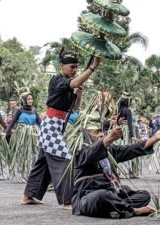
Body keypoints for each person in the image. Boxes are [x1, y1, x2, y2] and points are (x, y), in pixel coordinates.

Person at [22, 50, 101, 210]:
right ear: (62, 66)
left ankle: (28, 196)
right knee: (65, 160)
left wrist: (78, 95)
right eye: (72, 67)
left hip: (58, 126)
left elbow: (75, 108)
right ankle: (67, 201)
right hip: (50, 126)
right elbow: (73, 83)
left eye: (77, 67)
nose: (74, 70)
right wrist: (91, 68)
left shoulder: (70, 84)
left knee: (43, 163)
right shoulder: (57, 80)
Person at [72, 111, 160, 219]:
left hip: (111, 194)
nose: (101, 134)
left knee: (144, 196)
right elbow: (91, 152)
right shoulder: (80, 151)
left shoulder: (110, 149)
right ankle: (132, 210)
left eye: (101, 131)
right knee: (101, 195)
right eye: (96, 132)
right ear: (86, 134)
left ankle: (114, 208)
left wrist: (154, 139)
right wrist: (110, 138)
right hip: (89, 197)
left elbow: (130, 150)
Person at [5, 92, 41, 182]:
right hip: (21, 134)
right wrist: (6, 133)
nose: (30, 100)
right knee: (21, 153)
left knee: (32, 154)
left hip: (32, 135)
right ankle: (21, 174)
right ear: (24, 100)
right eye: (28, 99)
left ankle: (30, 174)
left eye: (31, 99)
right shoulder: (19, 111)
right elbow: (12, 123)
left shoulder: (34, 111)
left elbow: (41, 124)